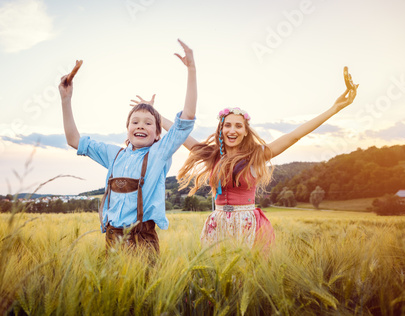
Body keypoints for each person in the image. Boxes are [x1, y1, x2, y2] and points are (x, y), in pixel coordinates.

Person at [134, 68, 358, 250]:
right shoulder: (213, 156)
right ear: (221, 129)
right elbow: (180, 134)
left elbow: (294, 135)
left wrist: (334, 108)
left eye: (238, 126)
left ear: (245, 131)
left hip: (248, 224)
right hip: (217, 224)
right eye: (227, 125)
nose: (232, 130)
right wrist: (155, 114)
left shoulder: (255, 156)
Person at [58, 39, 197, 253]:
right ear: (127, 129)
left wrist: (191, 69)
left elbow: (186, 118)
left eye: (149, 123)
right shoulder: (114, 154)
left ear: (158, 133)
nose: (141, 126)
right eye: (135, 122)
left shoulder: (159, 153)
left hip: (143, 238)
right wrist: (66, 100)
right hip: (113, 237)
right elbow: (74, 140)